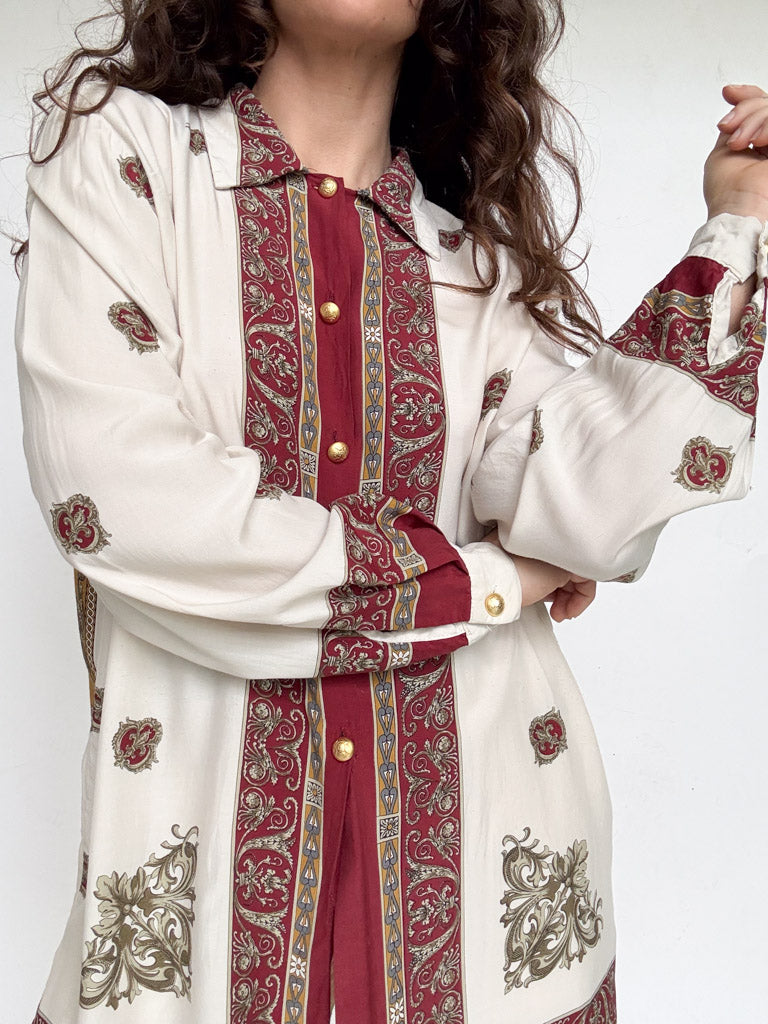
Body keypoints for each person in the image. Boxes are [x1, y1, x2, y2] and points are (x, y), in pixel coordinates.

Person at [13, 1, 768, 1022]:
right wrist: (491, 583)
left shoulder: (474, 264)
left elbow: (590, 508)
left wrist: (740, 220)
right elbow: (122, 504)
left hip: (488, 929)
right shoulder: (128, 154)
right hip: (186, 956)